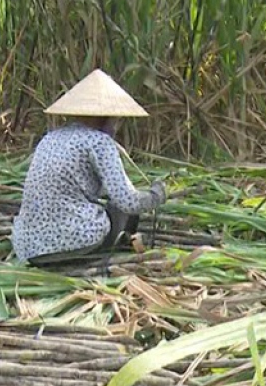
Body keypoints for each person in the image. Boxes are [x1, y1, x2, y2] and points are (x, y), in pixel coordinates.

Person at [12, 69, 167, 267]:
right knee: (121, 211)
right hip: (71, 242)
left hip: (29, 246)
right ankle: (109, 253)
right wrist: (156, 194)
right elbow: (128, 201)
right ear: (106, 117)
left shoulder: (49, 138)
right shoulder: (99, 142)